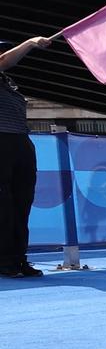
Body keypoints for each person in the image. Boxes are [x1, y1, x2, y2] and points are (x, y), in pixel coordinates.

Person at [0, 36, 54, 278]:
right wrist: (30, 42)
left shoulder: (8, 83)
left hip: (19, 140)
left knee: (22, 203)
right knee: (4, 205)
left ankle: (18, 258)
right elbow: (3, 61)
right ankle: (4, 261)